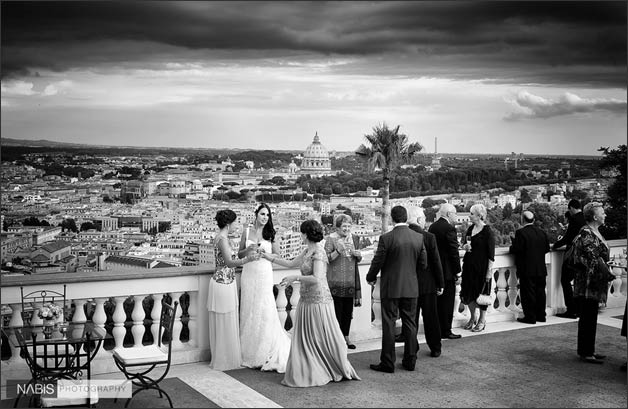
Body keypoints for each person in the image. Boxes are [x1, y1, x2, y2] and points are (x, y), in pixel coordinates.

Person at [262, 219, 361, 387]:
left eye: (301, 233)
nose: (300, 235)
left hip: (318, 300)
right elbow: (291, 263)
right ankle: (309, 366)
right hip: (306, 299)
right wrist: (268, 257)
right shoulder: (307, 250)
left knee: (319, 337)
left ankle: (325, 366)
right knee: (308, 338)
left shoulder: (319, 253)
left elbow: (317, 278)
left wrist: (295, 277)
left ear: (306, 234)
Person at [366, 205, 428, 373]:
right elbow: (423, 264)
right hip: (411, 286)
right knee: (410, 323)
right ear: (406, 217)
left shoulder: (386, 238)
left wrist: (370, 277)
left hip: (391, 287)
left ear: (392, 219)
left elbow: (377, 261)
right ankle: (410, 360)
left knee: (389, 324)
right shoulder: (418, 237)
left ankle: (388, 362)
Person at [237, 203, 291, 372]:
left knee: (264, 308)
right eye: (262, 214)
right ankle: (249, 350)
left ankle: (264, 350)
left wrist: (265, 254)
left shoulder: (271, 234)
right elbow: (239, 254)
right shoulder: (246, 232)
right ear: (256, 214)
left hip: (264, 273)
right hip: (249, 273)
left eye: (267, 215)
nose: (265, 217)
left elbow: (277, 255)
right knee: (249, 309)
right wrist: (248, 249)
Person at [208, 209, 259, 370]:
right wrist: (247, 259)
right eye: (235, 222)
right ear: (229, 224)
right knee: (225, 320)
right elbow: (229, 262)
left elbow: (228, 260)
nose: (237, 225)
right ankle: (225, 359)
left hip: (224, 281)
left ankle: (224, 357)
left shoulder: (221, 238)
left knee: (225, 320)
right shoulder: (222, 239)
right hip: (223, 282)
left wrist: (247, 252)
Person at [572, 202, 613, 364]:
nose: (605, 215)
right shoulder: (587, 233)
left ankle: (589, 350)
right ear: (595, 217)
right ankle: (586, 352)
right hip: (588, 283)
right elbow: (593, 258)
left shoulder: (593, 232)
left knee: (590, 316)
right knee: (587, 317)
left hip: (593, 282)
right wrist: (607, 271)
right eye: (602, 213)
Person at [405, 206, 444, 358]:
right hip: (428, 285)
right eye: (424, 219)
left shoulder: (404, 236)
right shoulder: (429, 237)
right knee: (431, 318)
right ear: (420, 220)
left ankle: (411, 349)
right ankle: (435, 347)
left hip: (409, 285)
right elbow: (436, 262)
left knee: (411, 320)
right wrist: (440, 283)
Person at [324, 214, 362, 350]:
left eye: (348, 226)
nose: (346, 229)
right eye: (344, 226)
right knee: (336, 312)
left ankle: (346, 336)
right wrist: (338, 251)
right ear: (338, 227)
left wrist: (359, 256)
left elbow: (358, 258)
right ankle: (336, 339)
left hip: (350, 281)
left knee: (347, 312)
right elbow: (326, 259)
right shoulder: (330, 239)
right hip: (335, 281)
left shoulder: (355, 239)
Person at [509, 210, 550, 325]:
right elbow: (547, 249)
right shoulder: (542, 232)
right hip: (541, 268)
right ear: (534, 220)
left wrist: (513, 243)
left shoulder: (521, 233)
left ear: (522, 220)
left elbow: (517, 249)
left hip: (527, 268)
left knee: (528, 294)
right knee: (541, 293)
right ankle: (541, 315)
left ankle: (530, 317)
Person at [429, 203, 463, 340]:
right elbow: (453, 252)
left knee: (437, 304)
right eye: (455, 213)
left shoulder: (432, 227)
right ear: (449, 214)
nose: (456, 216)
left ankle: (437, 330)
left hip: (434, 271)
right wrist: (458, 272)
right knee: (447, 303)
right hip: (447, 272)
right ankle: (446, 331)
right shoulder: (449, 228)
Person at [460, 203, 495, 333]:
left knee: (481, 295)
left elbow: (491, 255)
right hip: (469, 266)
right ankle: (472, 317)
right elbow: (464, 244)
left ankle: (482, 320)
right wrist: (465, 247)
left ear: (479, 216)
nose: (469, 215)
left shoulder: (488, 232)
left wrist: (488, 273)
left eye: (472, 213)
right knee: (467, 292)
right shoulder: (470, 229)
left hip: (482, 268)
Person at [553, 199, 586, 319]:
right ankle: (579, 309)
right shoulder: (585, 218)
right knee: (578, 282)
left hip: (573, 256)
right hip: (583, 256)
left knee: (565, 280)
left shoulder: (574, 219)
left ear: (571, 208)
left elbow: (568, 237)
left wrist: (555, 245)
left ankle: (571, 310)